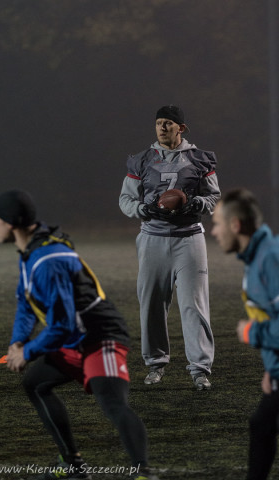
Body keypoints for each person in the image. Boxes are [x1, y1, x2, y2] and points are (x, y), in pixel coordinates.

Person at [0, 189, 160, 480]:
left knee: (113, 404)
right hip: (76, 338)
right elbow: (25, 301)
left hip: (99, 337)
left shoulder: (47, 259)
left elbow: (63, 325)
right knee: (36, 383)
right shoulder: (33, 250)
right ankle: (73, 465)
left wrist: (28, 352)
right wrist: (17, 341)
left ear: (11, 222)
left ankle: (143, 473)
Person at [119, 105, 220, 389]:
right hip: (153, 237)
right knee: (151, 304)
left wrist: (195, 203)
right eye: (159, 123)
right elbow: (126, 200)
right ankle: (155, 364)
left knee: (194, 306)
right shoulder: (141, 161)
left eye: (169, 123)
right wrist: (144, 208)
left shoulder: (200, 159)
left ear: (181, 128)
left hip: (189, 238)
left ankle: (200, 369)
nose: (162, 127)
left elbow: (213, 196)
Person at [211, 188, 279, 480]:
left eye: (217, 223)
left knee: (262, 425)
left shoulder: (270, 260)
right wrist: (273, 370)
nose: (213, 231)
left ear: (235, 225)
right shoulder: (258, 257)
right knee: (262, 424)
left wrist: (252, 332)